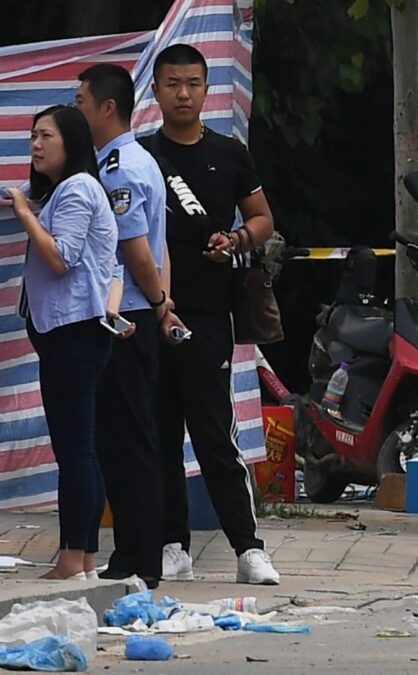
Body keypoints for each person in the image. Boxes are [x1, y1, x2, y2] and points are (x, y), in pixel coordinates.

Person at [142, 44, 280, 585]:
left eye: (193, 83)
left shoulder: (230, 152)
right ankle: (171, 545)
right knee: (158, 433)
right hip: (152, 313)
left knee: (214, 432)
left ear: (206, 89)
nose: (183, 93)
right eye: (172, 83)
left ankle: (249, 549)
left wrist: (239, 238)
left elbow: (264, 217)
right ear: (155, 91)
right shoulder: (140, 157)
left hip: (209, 312)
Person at [75, 63, 185, 589]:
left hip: (129, 315)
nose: (77, 111)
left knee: (129, 438)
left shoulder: (118, 166)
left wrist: (161, 303)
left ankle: (141, 558)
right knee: (123, 437)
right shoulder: (128, 160)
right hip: (133, 310)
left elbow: (136, 249)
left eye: (80, 103)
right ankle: (134, 553)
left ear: (107, 107)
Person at [8, 105, 118, 581]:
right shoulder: (65, 192)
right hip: (73, 334)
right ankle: (85, 554)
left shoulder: (77, 189)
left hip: (73, 334)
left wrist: (22, 214)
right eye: (32, 135)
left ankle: (72, 557)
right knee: (81, 448)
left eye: (45, 136)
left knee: (73, 450)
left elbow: (61, 258)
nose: (35, 145)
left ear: (70, 142)